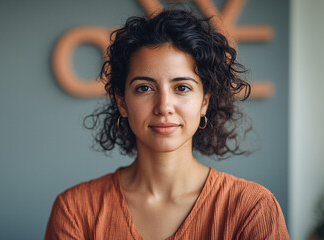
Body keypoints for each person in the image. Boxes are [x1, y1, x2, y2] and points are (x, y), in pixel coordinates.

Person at [45, 8, 289, 240]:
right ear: (122, 102)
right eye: (144, 88)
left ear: (204, 101)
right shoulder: (75, 210)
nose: (163, 106)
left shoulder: (252, 208)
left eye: (182, 88)